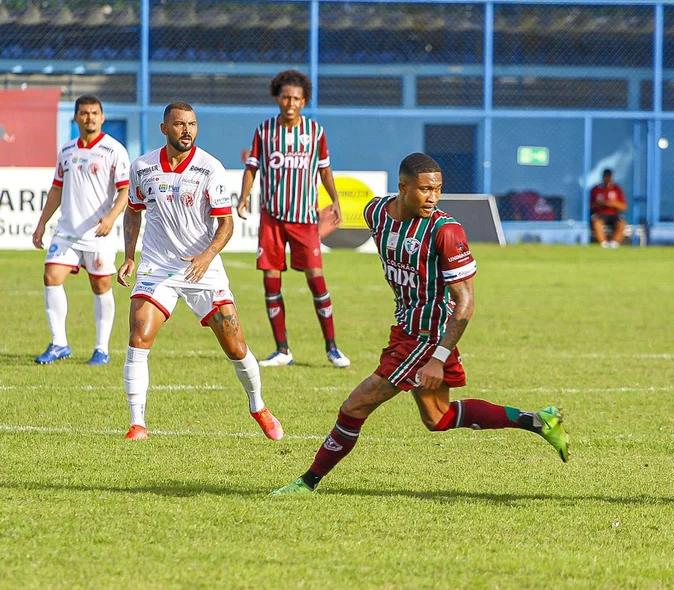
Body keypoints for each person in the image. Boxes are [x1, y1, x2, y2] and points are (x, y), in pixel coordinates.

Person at [271, 153, 570, 495]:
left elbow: (465, 303)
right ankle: (539, 420)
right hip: (405, 328)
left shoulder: (447, 232)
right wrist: (315, 235)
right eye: (425, 189)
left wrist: (438, 357)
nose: (432, 197)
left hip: (430, 335)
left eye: (438, 190)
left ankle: (307, 482)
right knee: (438, 418)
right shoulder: (375, 213)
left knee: (356, 404)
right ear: (403, 187)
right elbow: (337, 224)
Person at [118, 102, 283, 442]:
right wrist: (130, 256)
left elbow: (225, 224)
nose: (187, 131)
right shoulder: (143, 168)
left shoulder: (210, 169)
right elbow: (133, 212)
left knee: (236, 347)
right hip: (158, 266)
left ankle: (258, 407)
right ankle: (137, 424)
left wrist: (207, 257)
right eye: (179, 124)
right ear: (164, 129)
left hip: (202, 269)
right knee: (139, 336)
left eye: (192, 124)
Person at [237, 69, 349, 369]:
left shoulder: (315, 132)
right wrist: (244, 195)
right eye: (285, 97)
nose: (290, 102)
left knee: (316, 279)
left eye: (296, 98)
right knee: (271, 282)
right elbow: (252, 167)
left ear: (304, 101)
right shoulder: (265, 131)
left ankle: (332, 348)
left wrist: (335, 199)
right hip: (272, 219)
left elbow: (324, 169)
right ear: (277, 98)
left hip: (305, 219)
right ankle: (282, 350)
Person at [31, 95, 130, 366]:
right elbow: (56, 189)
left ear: (102, 117)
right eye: (84, 113)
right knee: (51, 276)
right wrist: (41, 224)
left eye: (95, 113)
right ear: (75, 118)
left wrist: (110, 218)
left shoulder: (114, 150)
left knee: (101, 285)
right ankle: (59, 343)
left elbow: (125, 190)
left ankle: (101, 348)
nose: (90, 118)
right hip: (67, 231)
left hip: (98, 233)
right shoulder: (67, 151)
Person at [590, 169, 628, 248]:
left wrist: (613, 203)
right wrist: (600, 204)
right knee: (596, 223)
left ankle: (614, 244)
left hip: (614, 214)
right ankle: (604, 244)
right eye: (605, 177)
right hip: (600, 214)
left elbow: (624, 207)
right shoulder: (596, 189)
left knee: (621, 224)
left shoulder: (617, 189)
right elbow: (590, 206)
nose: (607, 179)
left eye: (609, 177)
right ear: (602, 177)